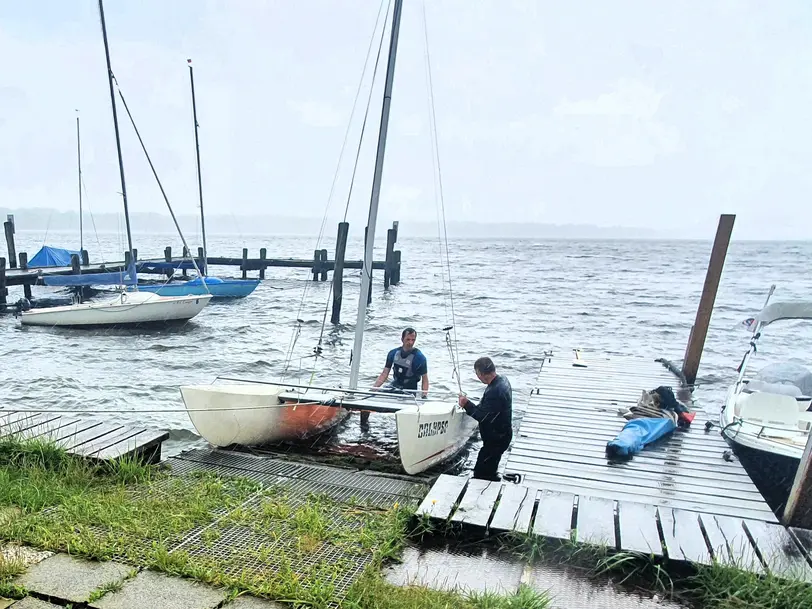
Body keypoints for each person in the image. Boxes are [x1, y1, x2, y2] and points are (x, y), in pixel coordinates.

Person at [458, 356, 513, 481]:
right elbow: (489, 410)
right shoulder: (502, 380)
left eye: (477, 374)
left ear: (481, 374)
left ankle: (487, 493)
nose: (477, 377)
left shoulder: (495, 391)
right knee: (488, 468)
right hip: (502, 435)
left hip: (496, 440)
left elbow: (483, 416)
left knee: (481, 474)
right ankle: (493, 479)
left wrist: (466, 404)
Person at [360, 327, 429, 426]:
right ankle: (364, 427)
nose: (410, 342)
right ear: (402, 339)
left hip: (410, 390)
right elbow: (384, 374)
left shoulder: (420, 358)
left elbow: (425, 380)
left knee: (410, 413)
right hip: (395, 386)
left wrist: (424, 397)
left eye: (413, 340)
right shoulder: (393, 353)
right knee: (367, 402)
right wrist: (373, 390)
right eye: (408, 339)